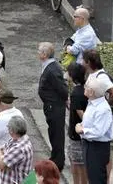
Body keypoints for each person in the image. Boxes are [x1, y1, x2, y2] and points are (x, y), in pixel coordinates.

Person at [76, 77, 113, 184]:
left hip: (97, 147)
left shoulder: (103, 109)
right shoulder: (92, 102)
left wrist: (82, 130)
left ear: (91, 92)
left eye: (87, 87)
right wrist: (82, 125)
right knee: (92, 176)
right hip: (90, 145)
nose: (85, 87)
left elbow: (98, 131)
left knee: (97, 178)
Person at [37, 42, 67, 172]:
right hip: (50, 106)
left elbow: (62, 89)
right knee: (52, 132)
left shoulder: (52, 70)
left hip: (55, 106)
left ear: (44, 54)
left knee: (57, 134)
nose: (37, 53)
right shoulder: (48, 67)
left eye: (39, 51)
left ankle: (58, 161)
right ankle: (55, 157)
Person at [66, 63, 88, 184]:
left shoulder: (76, 93)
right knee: (78, 163)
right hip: (79, 133)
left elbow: (81, 114)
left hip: (77, 134)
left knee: (79, 164)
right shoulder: (85, 88)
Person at [0, 115, 34, 184]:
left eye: (8, 128)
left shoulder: (18, 148)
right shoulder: (20, 139)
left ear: (12, 131)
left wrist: (1, 159)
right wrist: (3, 160)